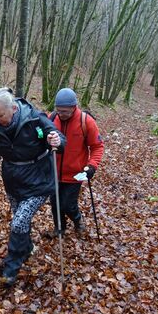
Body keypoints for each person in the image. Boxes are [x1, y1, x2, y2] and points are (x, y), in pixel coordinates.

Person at [0, 87, 66, 286]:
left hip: (39, 182)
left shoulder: (34, 120)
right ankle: (28, 246)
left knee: (18, 223)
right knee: (21, 222)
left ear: (13, 108)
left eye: (0, 114)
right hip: (13, 182)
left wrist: (56, 140)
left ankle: (11, 268)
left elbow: (56, 136)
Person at [47, 88, 104, 237]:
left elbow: (97, 146)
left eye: (65, 111)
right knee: (55, 203)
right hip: (54, 172)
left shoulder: (86, 121)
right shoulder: (52, 119)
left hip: (76, 174)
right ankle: (60, 228)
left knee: (67, 204)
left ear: (74, 107)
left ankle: (78, 220)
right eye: (58, 110)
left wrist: (92, 166)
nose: (61, 114)